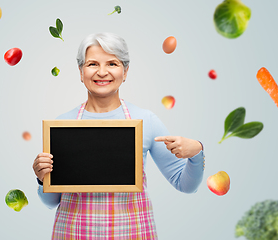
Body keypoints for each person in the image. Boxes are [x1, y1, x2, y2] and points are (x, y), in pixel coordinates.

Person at [32, 32, 205, 239]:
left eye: (112, 64)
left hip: (132, 233)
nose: (102, 72)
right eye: (92, 64)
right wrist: (42, 179)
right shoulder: (61, 125)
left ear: (125, 71)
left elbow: (185, 185)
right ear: (80, 72)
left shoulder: (146, 120)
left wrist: (196, 153)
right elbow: (51, 202)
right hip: (73, 233)